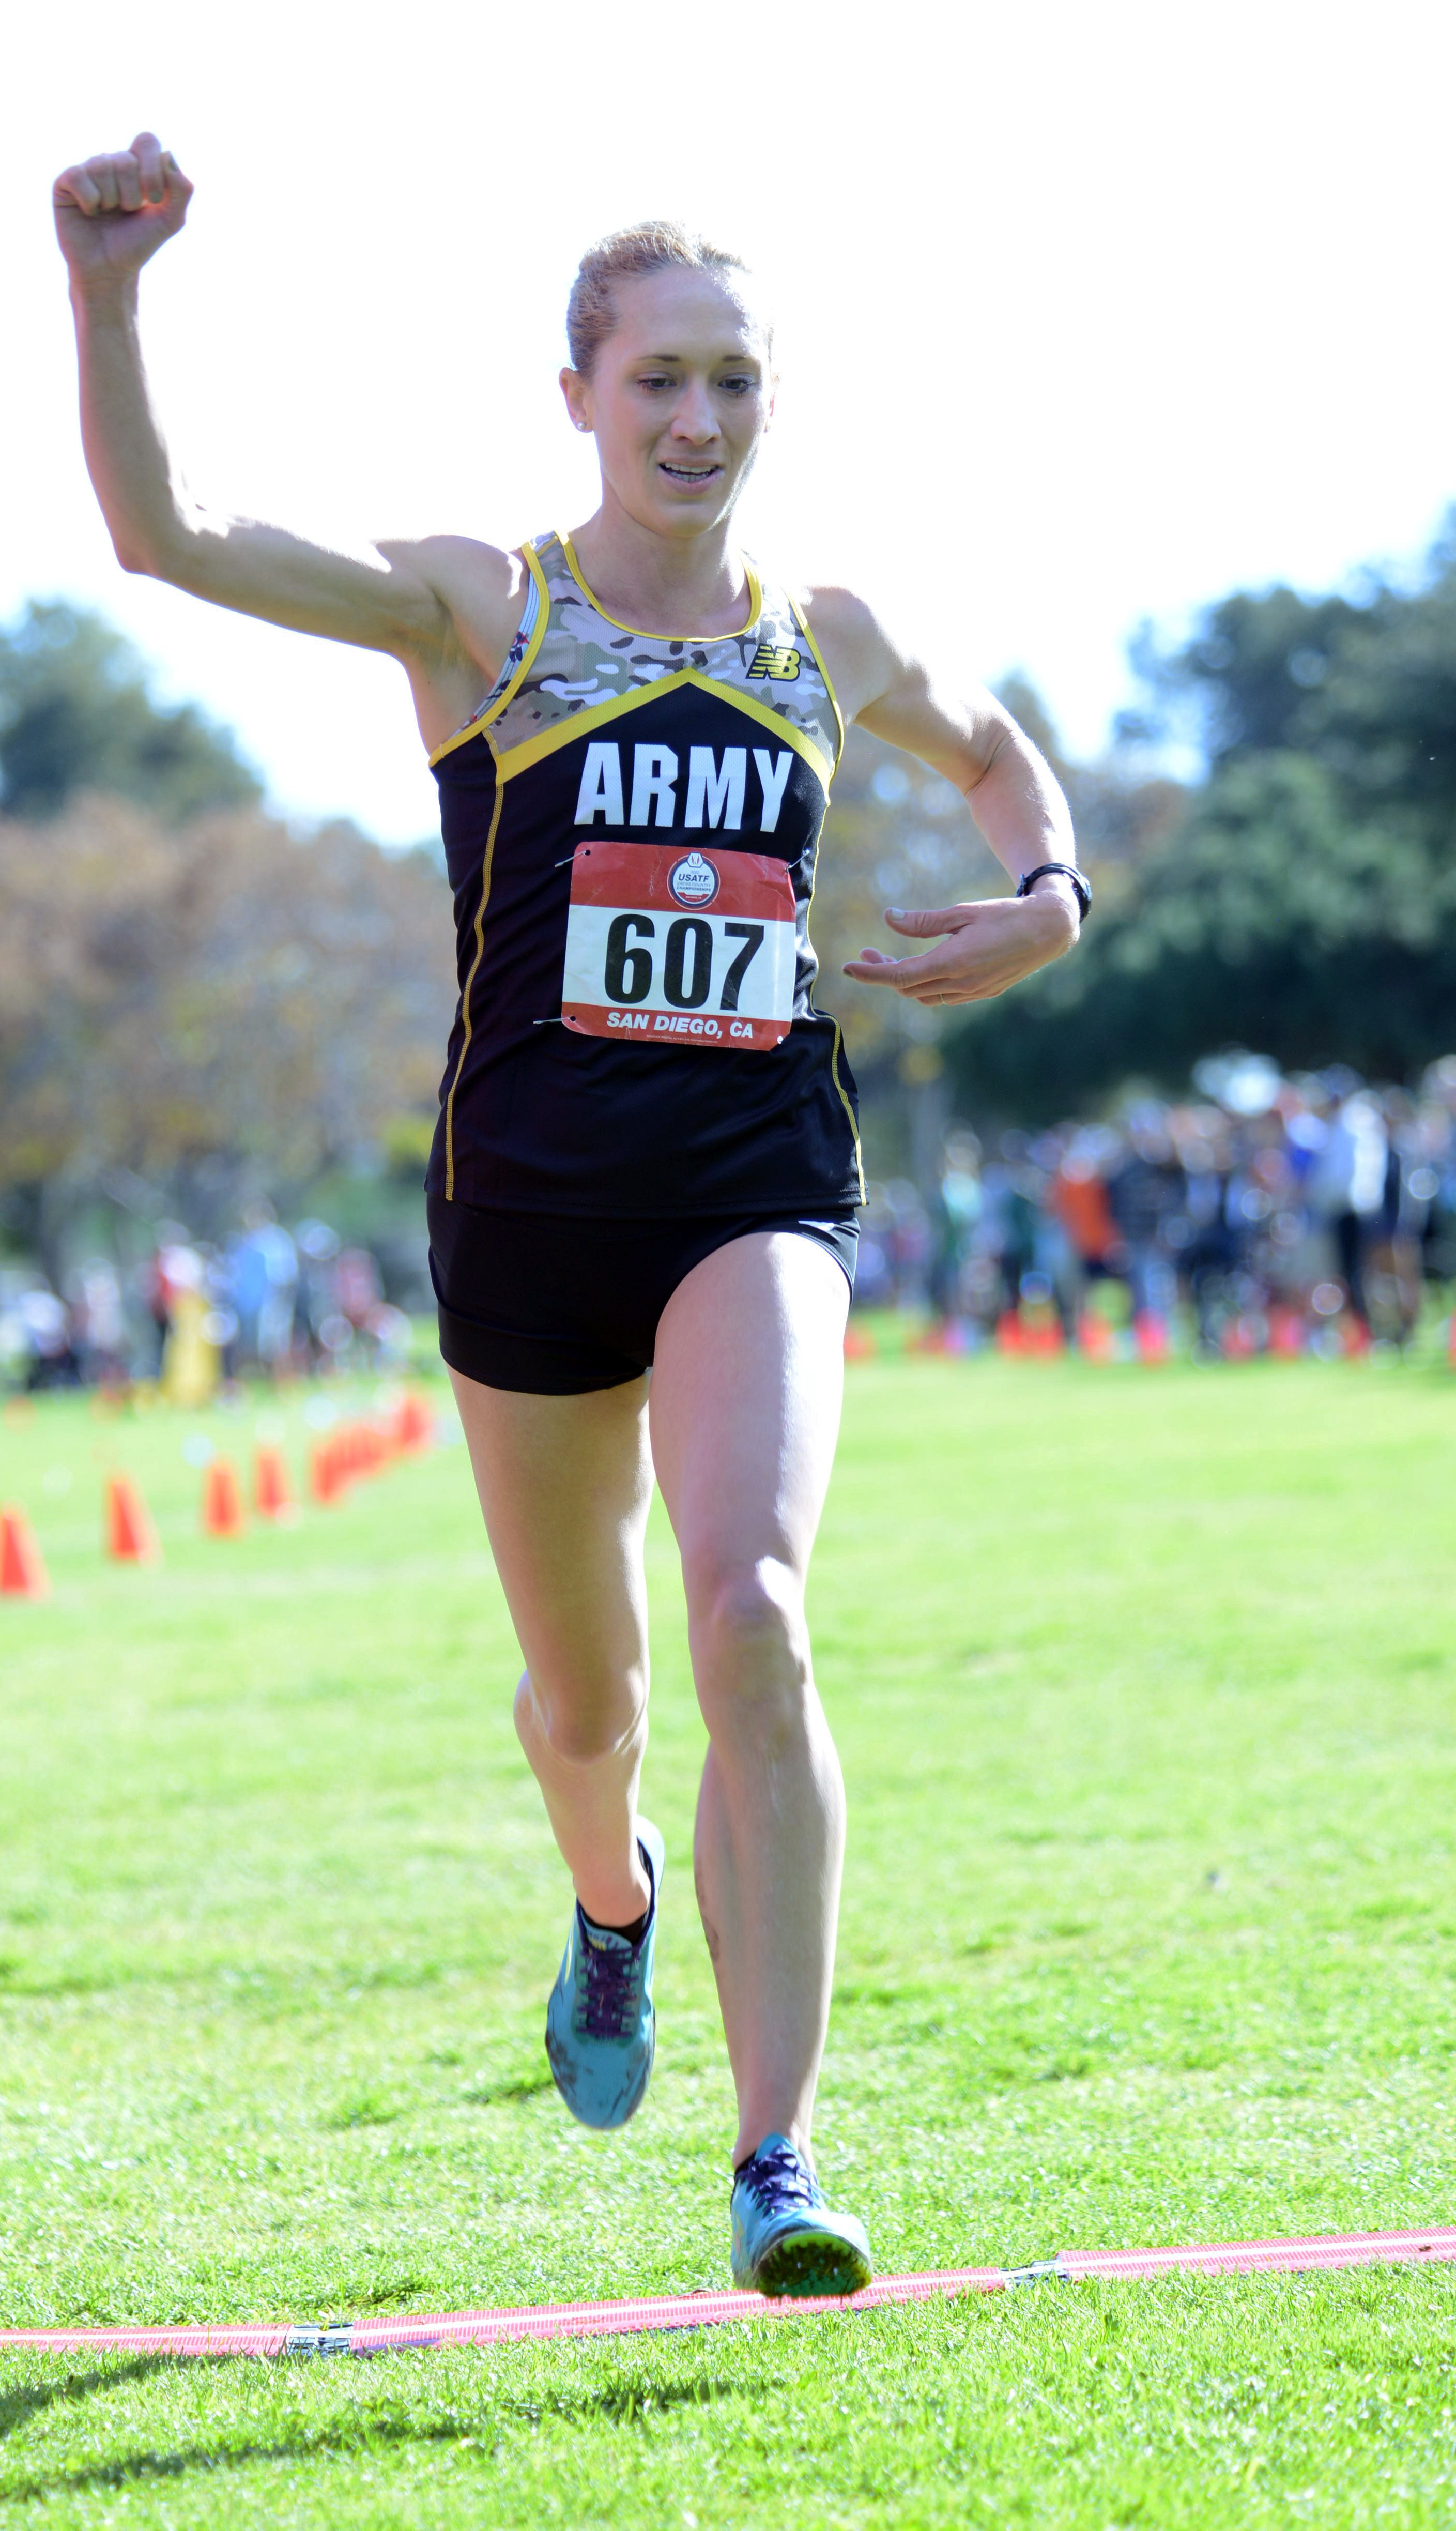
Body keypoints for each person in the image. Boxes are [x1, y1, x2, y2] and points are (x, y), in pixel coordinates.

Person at [53, 134, 1086, 2297]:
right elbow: (167, 540)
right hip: (523, 1216)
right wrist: (108, 289)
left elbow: (997, 753)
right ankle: (610, 1904)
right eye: (658, 384)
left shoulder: (826, 634)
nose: (698, 422)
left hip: (755, 1183)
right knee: (588, 1704)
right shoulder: (485, 611)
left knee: (761, 1610)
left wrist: (1050, 895)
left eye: (732, 382)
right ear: (581, 399)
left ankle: (781, 2155)